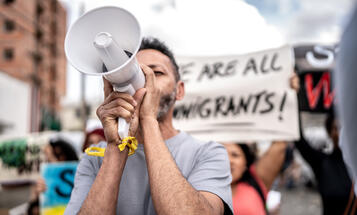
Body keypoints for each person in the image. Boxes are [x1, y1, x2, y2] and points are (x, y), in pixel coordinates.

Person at [65, 37, 233, 215]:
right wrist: (115, 146)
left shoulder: (208, 153)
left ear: (179, 90)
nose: (145, 81)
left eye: (157, 73)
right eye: (135, 72)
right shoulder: (94, 158)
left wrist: (148, 121)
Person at [294, 111, 356, 215]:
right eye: (336, 128)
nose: (340, 133)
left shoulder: (354, 165)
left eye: (344, 128)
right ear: (329, 132)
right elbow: (299, 140)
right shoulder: (322, 162)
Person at [223, 141, 287, 215]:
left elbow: (280, 144)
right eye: (221, 155)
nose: (228, 160)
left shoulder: (257, 180)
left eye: (235, 155)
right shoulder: (207, 190)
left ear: (245, 164)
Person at [28, 138, 79, 215]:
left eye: (58, 155)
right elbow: (34, 211)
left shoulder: (82, 178)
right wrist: (38, 197)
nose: (53, 159)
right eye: (50, 156)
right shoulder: (41, 182)